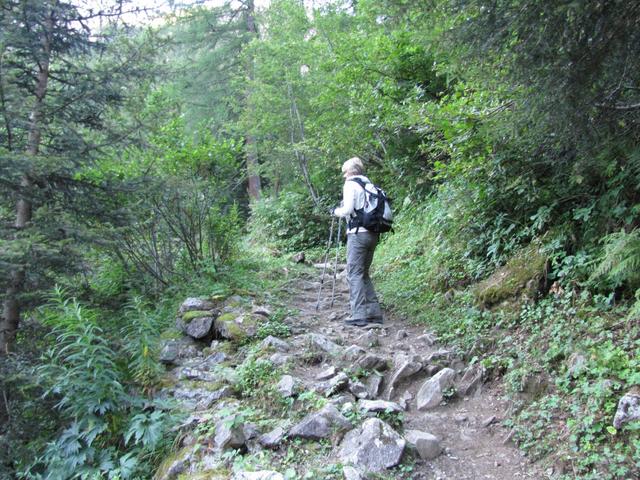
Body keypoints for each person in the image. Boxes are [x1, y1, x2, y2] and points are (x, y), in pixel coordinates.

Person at [332, 157, 383, 326]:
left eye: (344, 172)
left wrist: (335, 211)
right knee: (364, 273)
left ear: (351, 171)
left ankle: (359, 314)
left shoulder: (350, 185)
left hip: (358, 234)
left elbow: (347, 210)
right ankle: (374, 312)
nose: (344, 175)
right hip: (373, 234)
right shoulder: (369, 185)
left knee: (354, 274)